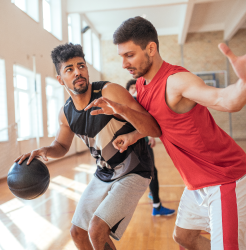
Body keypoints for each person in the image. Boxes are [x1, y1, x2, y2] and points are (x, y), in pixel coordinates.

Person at [85, 17, 246, 250]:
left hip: (224, 179)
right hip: (196, 183)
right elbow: (158, 124)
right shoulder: (142, 84)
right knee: (184, 238)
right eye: (121, 56)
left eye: (129, 55)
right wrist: (134, 136)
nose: (123, 64)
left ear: (151, 48)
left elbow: (226, 100)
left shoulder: (176, 82)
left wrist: (243, 82)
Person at [15, 43, 162, 250]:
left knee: (96, 229)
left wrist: (119, 110)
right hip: (104, 173)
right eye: (69, 69)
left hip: (134, 170)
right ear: (60, 79)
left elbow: (153, 127)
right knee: (77, 232)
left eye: (81, 66)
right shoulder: (66, 113)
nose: (78, 72)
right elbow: (61, 146)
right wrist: (45, 150)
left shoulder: (109, 91)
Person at [126, 79, 175, 216]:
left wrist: (150, 136)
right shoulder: (130, 103)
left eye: (136, 87)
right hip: (136, 145)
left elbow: (147, 122)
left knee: (152, 172)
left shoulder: (140, 104)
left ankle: (153, 195)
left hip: (144, 141)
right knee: (151, 173)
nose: (134, 89)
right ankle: (157, 207)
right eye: (131, 87)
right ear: (127, 91)